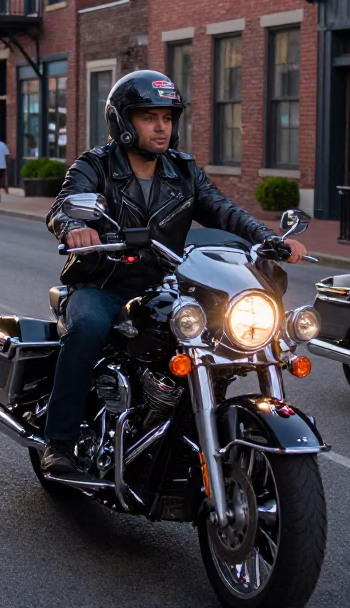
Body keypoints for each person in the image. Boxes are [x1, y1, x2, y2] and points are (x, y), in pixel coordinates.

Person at [39, 71, 308, 475]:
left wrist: (270, 239)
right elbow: (63, 204)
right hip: (104, 281)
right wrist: (74, 226)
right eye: (149, 117)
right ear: (124, 122)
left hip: (167, 284)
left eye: (167, 117)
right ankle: (58, 441)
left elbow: (223, 209)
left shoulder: (183, 170)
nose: (161, 126)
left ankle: (190, 424)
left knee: (228, 334)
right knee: (88, 329)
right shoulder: (94, 165)